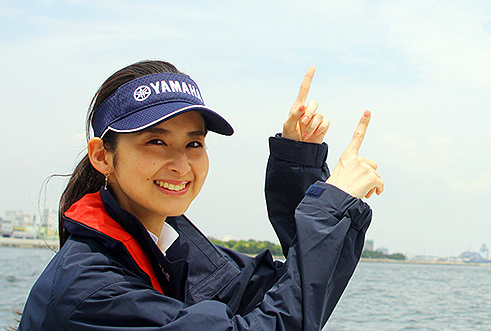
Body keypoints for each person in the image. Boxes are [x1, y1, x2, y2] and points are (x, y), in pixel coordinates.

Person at [17, 60, 383, 330]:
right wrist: (332, 203)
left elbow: (292, 288)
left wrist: (300, 161)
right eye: (156, 141)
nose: (180, 164)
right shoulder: (91, 290)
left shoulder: (169, 247)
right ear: (103, 156)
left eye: (194, 143)